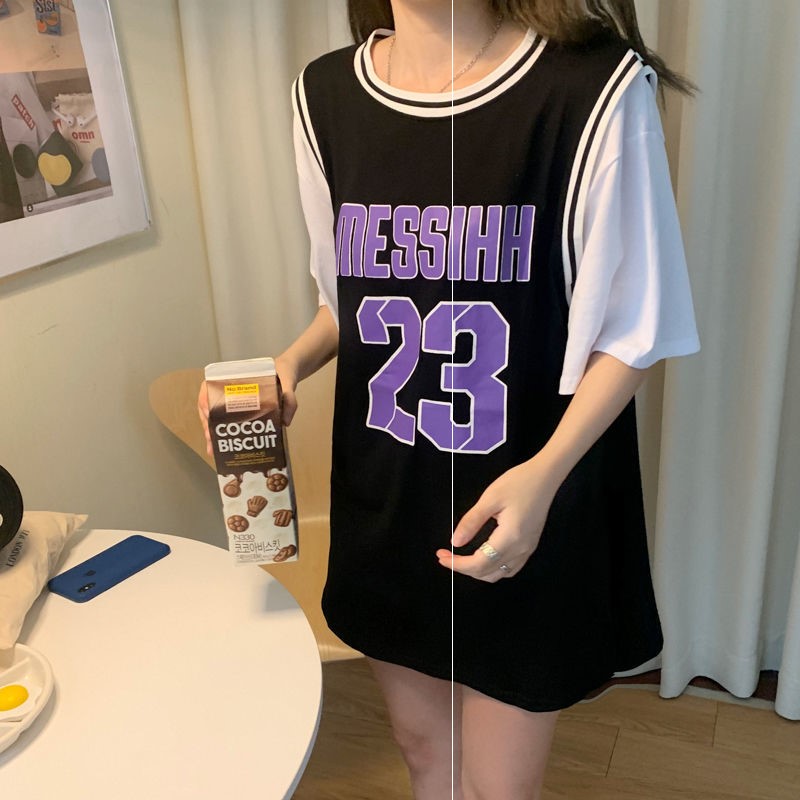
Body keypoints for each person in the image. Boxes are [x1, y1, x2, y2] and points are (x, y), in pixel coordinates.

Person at [200, 1, 701, 797]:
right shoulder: (324, 96)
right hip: (387, 498)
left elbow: (636, 327)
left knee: (499, 786)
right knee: (424, 753)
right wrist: (290, 362)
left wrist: (544, 477)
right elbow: (348, 294)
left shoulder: (591, 88)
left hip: (521, 499)